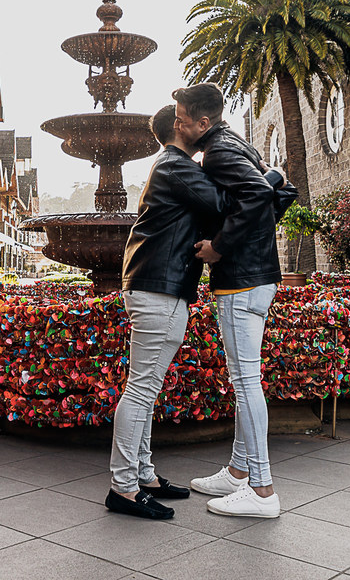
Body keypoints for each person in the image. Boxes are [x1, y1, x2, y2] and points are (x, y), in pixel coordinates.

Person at [173, 83, 284, 518]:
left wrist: (219, 246)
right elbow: (277, 186)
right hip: (259, 275)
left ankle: (261, 491)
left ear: (203, 122)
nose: (178, 123)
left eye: (182, 118)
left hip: (241, 279)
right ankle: (239, 472)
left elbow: (258, 194)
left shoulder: (219, 152)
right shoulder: (236, 141)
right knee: (247, 380)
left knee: (245, 382)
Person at [107, 104, 220, 519]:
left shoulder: (169, 166)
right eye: (195, 119)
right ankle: (123, 487)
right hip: (161, 288)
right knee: (141, 389)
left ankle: (143, 475)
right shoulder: (175, 165)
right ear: (179, 126)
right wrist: (266, 179)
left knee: (145, 387)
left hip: (152, 284)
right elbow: (224, 201)